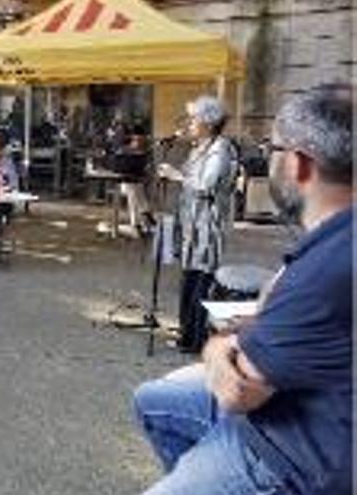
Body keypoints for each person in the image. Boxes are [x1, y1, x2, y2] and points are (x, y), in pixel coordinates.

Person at [133, 90, 352, 495]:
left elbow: (238, 392)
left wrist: (218, 345)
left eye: (273, 148)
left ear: (300, 164)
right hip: (294, 409)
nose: (266, 159)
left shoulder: (330, 262)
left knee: (200, 295)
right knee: (153, 398)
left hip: (292, 454)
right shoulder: (331, 241)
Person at [158, 96, 237, 352]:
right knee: (188, 282)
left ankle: (195, 339)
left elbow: (206, 185)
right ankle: (186, 334)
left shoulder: (220, 148)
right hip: (191, 227)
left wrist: (177, 175)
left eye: (194, 118)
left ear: (208, 122)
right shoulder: (199, 147)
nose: (189, 123)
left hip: (207, 229)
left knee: (200, 284)